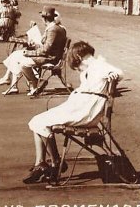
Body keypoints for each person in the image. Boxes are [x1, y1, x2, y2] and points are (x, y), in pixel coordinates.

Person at [23, 41, 123, 184]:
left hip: (85, 112)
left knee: (39, 122)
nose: (79, 69)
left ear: (79, 56)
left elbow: (119, 72)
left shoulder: (99, 65)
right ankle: (42, 163)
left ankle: (54, 162)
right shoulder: (93, 67)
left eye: (77, 65)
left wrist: (114, 74)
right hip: (81, 108)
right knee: (37, 121)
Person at [0, 6, 67, 96]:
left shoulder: (53, 30)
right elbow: (48, 47)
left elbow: (45, 51)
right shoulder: (55, 28)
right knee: (16, 54)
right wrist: (34, 46)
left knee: (23, 63)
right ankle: (14, 83)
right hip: (50, 55)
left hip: (50, 58)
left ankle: (34, 83)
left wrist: (29, 53)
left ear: (44, 18)